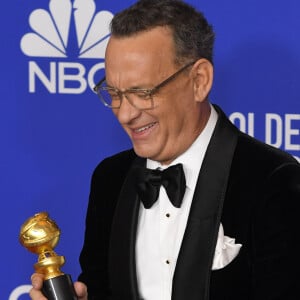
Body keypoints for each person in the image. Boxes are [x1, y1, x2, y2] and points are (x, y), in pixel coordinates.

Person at [30, 0, 300, 299]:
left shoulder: (273, 181)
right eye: (114, 93)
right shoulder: (110, 178)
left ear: (199, 81)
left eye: (142, 92)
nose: (124, 114)